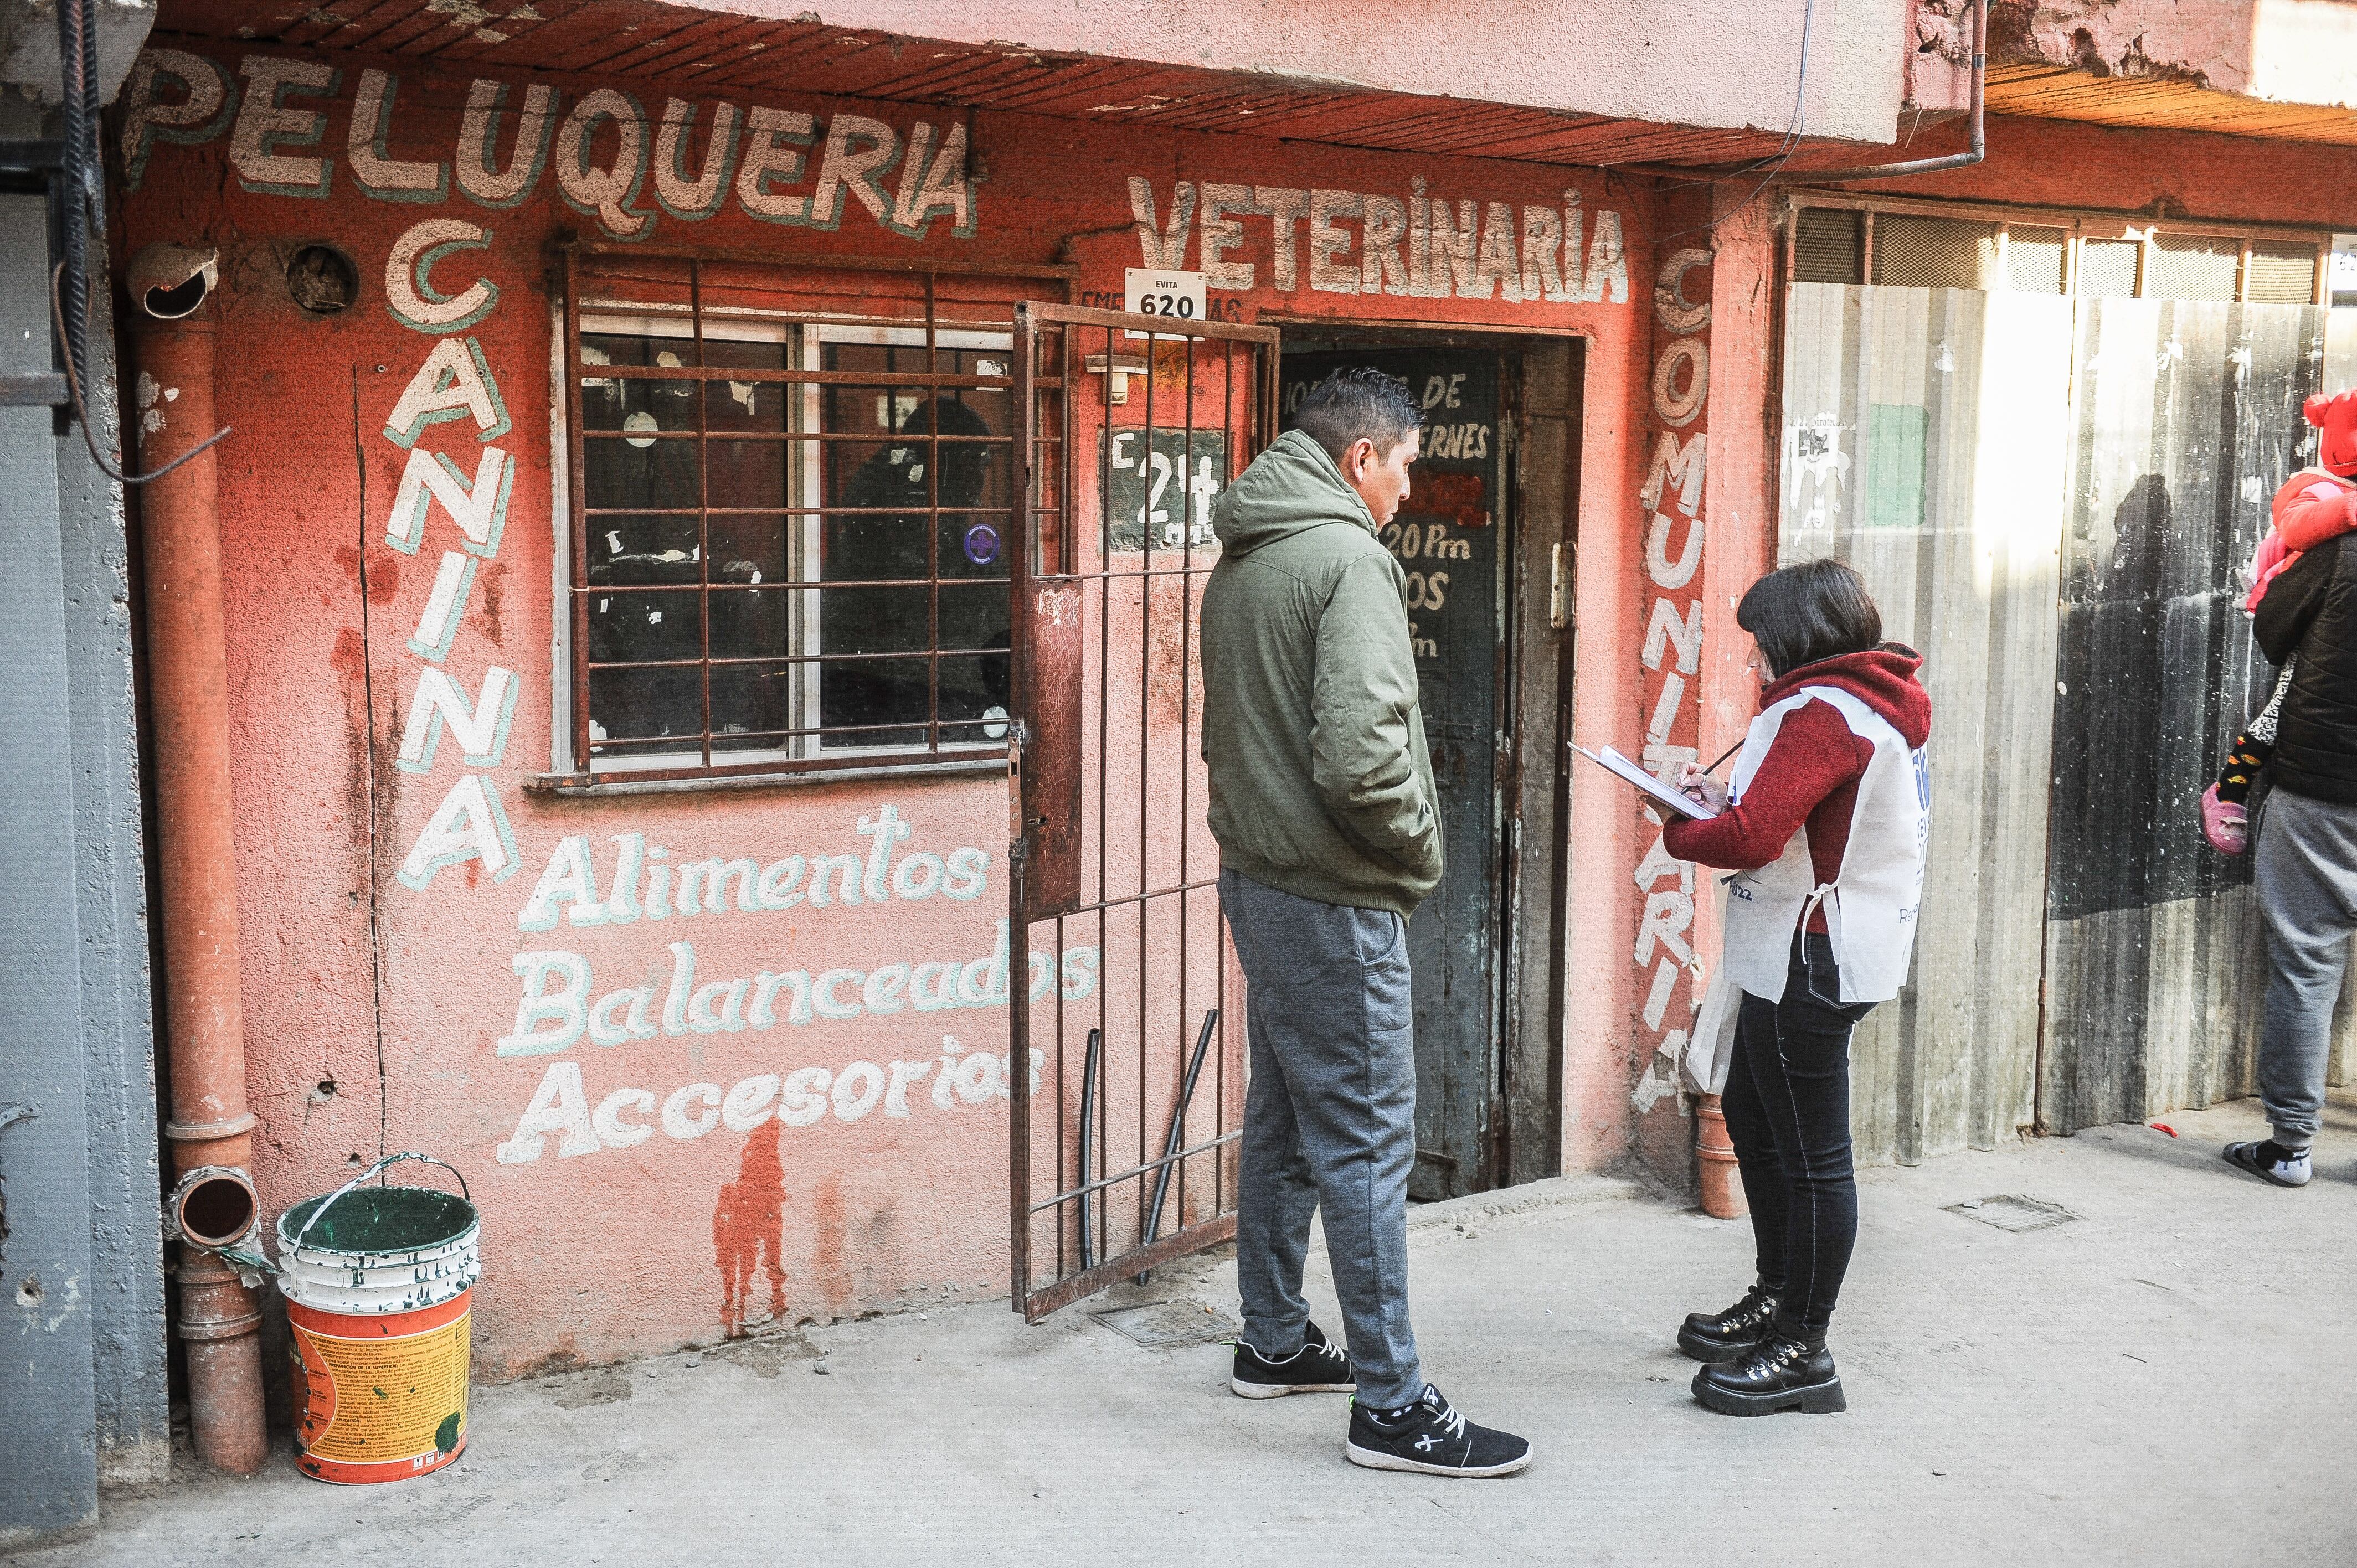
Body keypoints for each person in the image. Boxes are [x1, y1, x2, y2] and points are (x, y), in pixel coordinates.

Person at [1200, 367, 1531, 1478]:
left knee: (1288, 1120)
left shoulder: (1248, 554)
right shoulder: (1349, 560)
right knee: (1369, 1140)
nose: (1406, 489)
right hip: (1334, 898)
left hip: (1261, 879)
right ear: (1359, 460)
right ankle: (1392, 1406)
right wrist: (1421, 854)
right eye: (1402, 467)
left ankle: (1275, 1338)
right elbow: (1361, 756)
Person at [1657, 560, 1931, 1418]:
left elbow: (1751, 834)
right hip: (1806, 944)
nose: (1757, 661)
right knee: (1753, 1118)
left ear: (1794, 638)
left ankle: (1805, 1348)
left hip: (1814, 952)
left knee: (1812, 1157)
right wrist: (1721, 800)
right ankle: (1777, 1299)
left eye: (1762, 644)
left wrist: (1679, 818)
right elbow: (1799, 815)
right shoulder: (1864, 699)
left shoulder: (1820, 712)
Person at [2224, 388, 2357, 1189]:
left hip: (2321, 788)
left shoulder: (2335, 548)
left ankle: (2291, 1148)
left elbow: (2273, 634)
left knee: (2307, 965)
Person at [2200, 390, 2357, 855]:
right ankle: (2229, 789)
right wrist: (2349, 510)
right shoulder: (2313, 485)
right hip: (2300, 609)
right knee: (2277, 713)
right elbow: (2297, 528)